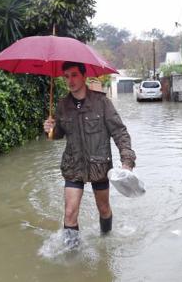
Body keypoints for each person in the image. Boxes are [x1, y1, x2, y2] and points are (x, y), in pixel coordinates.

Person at [43, 61, 136, 246]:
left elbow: (120, 132)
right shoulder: (62, 105)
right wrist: (50, 130)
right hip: (73, 166)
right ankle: (71, 256)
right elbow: (59, 134)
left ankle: (106, 241)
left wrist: (127, 162)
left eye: (74, 75)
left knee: (103, 209)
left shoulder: (102, 103)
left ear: (84, 76)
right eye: (66, 76)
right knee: (69, 213)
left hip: (99, 165)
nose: (70, 80)